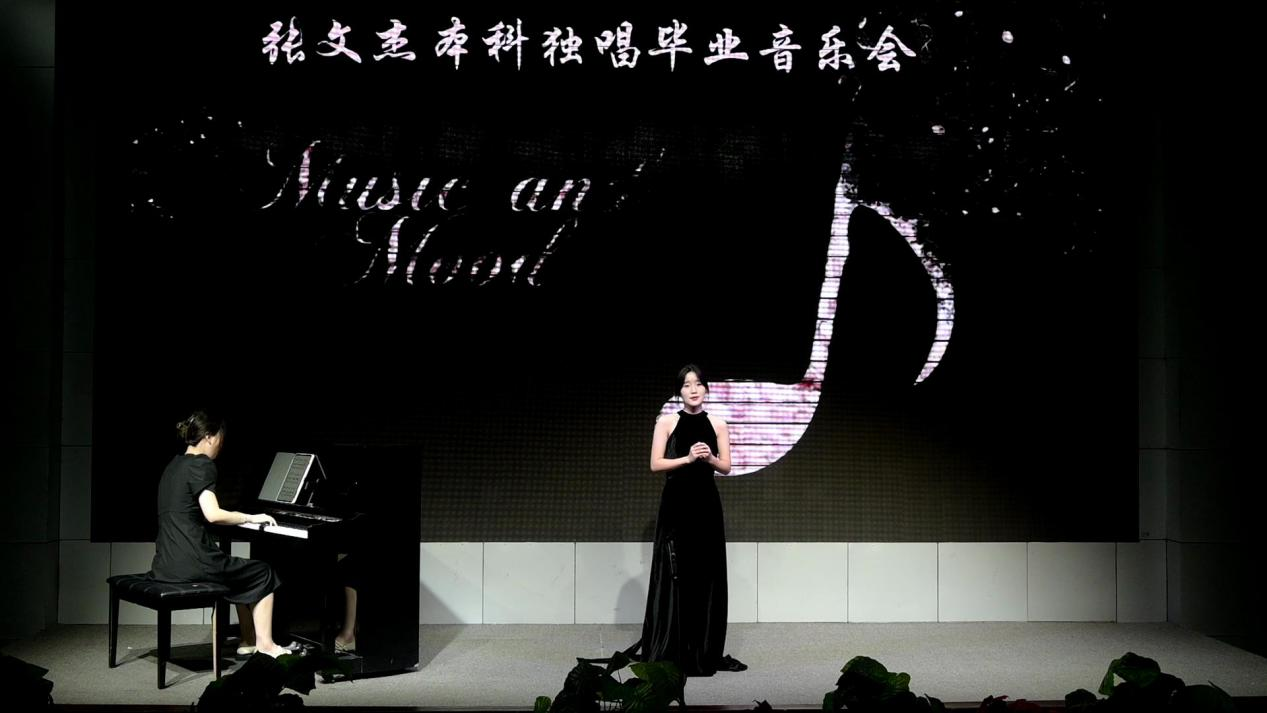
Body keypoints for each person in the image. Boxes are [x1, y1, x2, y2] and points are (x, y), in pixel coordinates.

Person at [629, 365, 746, 675]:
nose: (693, 390)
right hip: (676, 504)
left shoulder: (718, 423)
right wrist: (688, 458)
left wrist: (710, 459)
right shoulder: (667, 421)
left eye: (698, 384)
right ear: (679, 391)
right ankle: (674, 649)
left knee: (705, 574)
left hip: (706, 504)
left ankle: (703, 650)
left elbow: (726, 467)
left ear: (706, 388)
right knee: (676, 574)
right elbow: (655, 464)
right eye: (686, 385)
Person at [149, 410, 293, 658]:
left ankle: (248, 639)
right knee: (263, 572)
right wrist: (250, 517)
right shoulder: (201, 465)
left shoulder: (173, 466)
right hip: (193, 562)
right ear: (209, 437)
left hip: (166, 564)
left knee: (239, 575)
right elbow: (213, 514)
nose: (220, 446)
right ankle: (267, 645)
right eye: (220, 440)